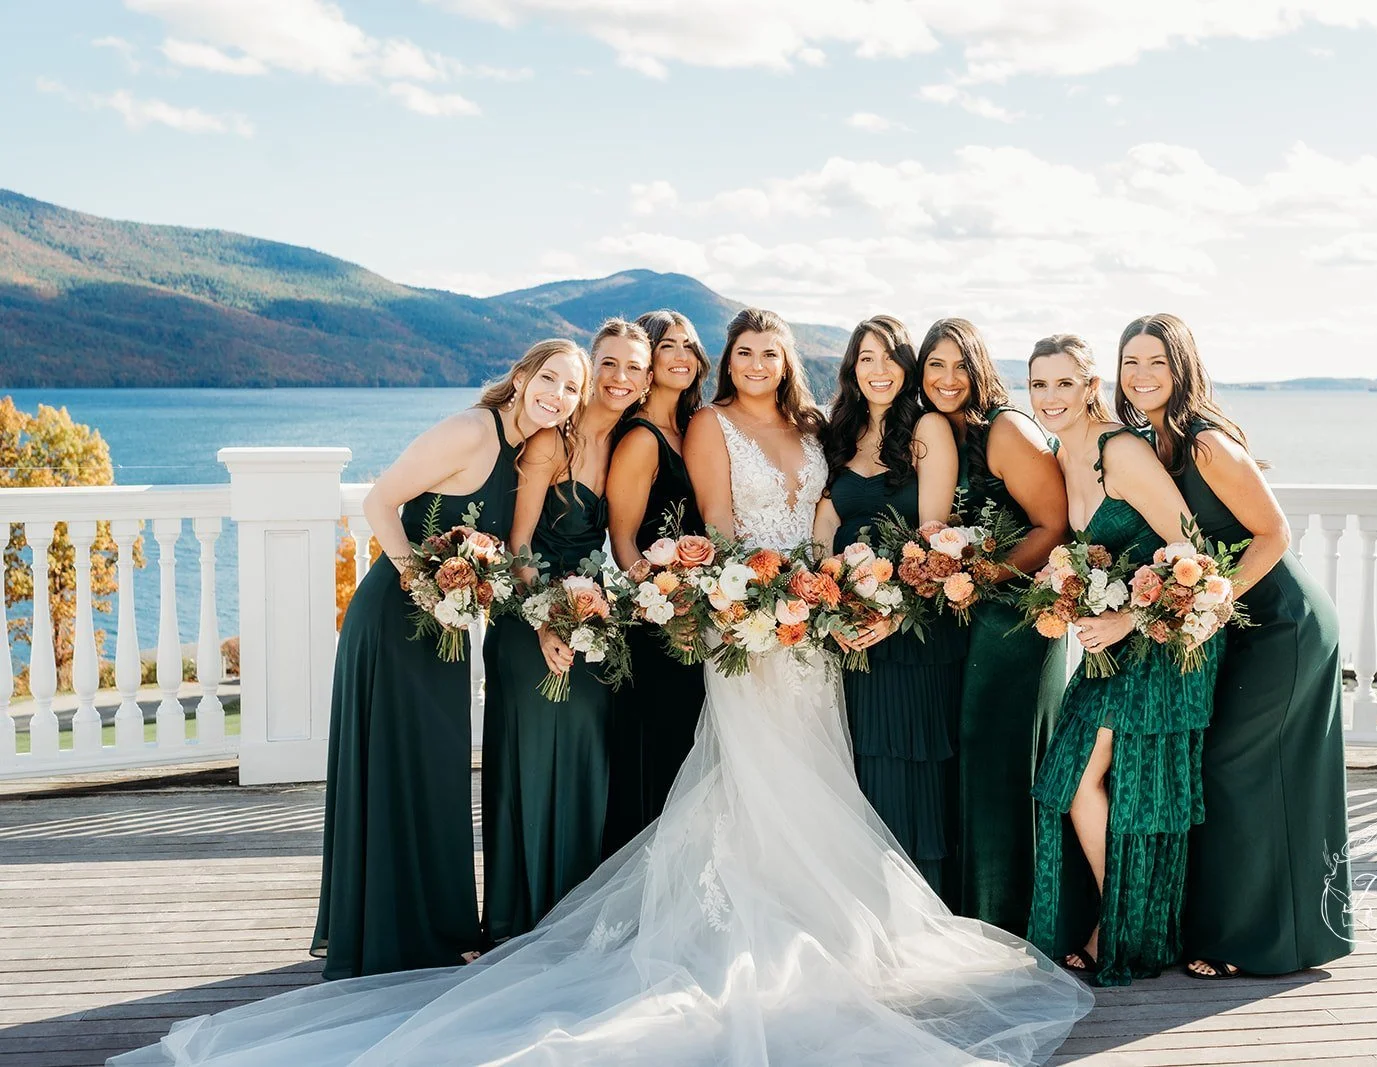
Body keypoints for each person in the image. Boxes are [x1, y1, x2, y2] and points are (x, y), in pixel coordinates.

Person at [112, 309, 1093, 1067]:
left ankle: (830, 908)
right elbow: (709, 520)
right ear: (726, 361)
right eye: (742, 350)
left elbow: (837, 518)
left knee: (824, 767)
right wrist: (741, 595)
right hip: (751, 617)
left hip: (819, 625)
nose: (755, 363)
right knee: (747, 774)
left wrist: (830, 592)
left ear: (792, 364)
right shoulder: (699, 426)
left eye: (770, 351)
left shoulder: (812, 426)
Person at [312, 337, 586, 980]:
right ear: (521, 376)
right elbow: (380, 501)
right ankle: (387, 932)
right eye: (549, 378)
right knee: (394, 764)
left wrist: (548, 619)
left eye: (571, 389)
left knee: (432, 769)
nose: (557, 395)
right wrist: (420, 582)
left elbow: (514, 555)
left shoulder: (528, 454)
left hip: (448, 625)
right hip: (395, 615)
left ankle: (429, 926)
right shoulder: (472, 430)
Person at [1116, 312, 1351, 979]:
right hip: (1241, 626)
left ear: (1182, 368)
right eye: (1130, 362)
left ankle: (1243, 940)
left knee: (1233, 766)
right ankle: (1290, 933)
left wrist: (1215, 601)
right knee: (1247, 770)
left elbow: (1275, 533)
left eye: (1156, 362)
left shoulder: (1206, 443)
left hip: (1285, 622)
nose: (1141, 375)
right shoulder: (1151, 445)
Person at [1023, 334, 1218, 986]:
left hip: (1162, 635)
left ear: (1088, 386)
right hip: (1112, 642)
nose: (1049, 398)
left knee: (1090, 782)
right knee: (1072, 780)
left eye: (1062, 383)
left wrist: (1127, 616)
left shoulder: (1120, 450)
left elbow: (1192, 551)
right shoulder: (1062, 453)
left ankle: (1121, 927)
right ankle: (1127, 920)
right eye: (1037, 384)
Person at [480, 319, 648, 945]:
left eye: (635, 367)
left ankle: (573, 919)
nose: (621, 379)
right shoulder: (552, 442)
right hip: (532, 620)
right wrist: (547, 620)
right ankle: (521, 919)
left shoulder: (626, 442)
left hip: (590, 620)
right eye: (609, 364)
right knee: (535, 762)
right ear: (590, 370)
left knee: (587, 761)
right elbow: (518, 543)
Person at [919, 317, 1069, 934]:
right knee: (975, 764)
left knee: (1001, 765)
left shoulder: (1005, 429)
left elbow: (1052, 525)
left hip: (1017, 622)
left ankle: (1012, 919)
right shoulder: (938, 432)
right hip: (976, 620)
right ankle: (973, 912)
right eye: (935, 365)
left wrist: (982, 579)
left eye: (960, 365)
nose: (947, 379)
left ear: (980, 368)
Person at [814, 314, 963, 890]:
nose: (878, 370)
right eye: (866, 357)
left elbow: (933, 533)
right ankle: (864, 905)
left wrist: (896, 609)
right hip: (848, 624)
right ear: (852, 366)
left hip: (912, 628)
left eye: (889, 357)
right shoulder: (841, 433)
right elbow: (823, 526)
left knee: (909, 761)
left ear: (906, 365)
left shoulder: (928, 428)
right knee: (860, 761)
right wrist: (821, 601)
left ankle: (916, 904)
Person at [601, 310, 710, 853]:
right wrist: (665, 606)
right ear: (647, 363)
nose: (682, 356)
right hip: (655, 626)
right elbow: (623, 541)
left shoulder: (691, 428)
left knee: (689, 756)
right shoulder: (642, 438)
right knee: (661, 758)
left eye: (690, 346)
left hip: (692, 616)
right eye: (669, 346)